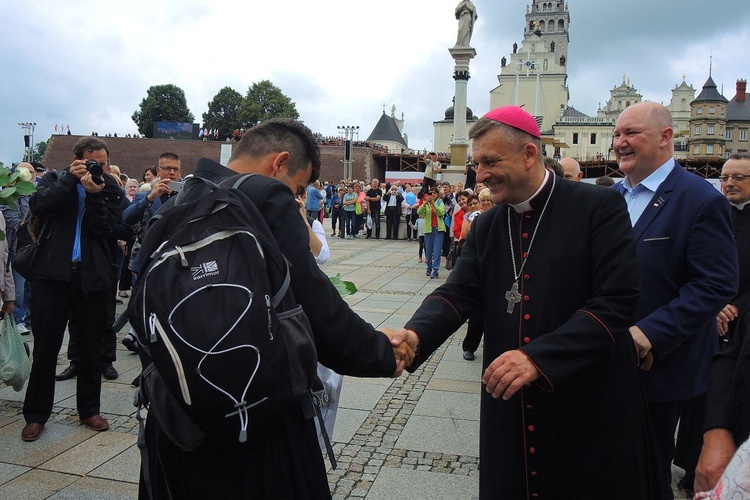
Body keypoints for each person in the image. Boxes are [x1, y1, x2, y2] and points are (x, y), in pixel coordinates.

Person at [140, 118, 414, 499]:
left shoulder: (182, 197)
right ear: (279, 163)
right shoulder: (263, 195)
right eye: (298, 187)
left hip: (177, 420)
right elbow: (313, 306)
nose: (296, 197)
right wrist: (380, 351)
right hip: (254, 420)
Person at [391, 106, 652, 498]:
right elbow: (456, 294)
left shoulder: (597, 207)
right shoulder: (490, 225)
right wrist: (414, 335)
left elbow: (616, 303)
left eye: (491, 161)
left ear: (530, 154)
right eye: (478, 163)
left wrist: (538, 357)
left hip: (585, 398)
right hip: (510, 399)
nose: (480, 175)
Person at [611, 102, 737, 499]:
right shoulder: (609, 198)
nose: (619, 143)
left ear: (666, 137)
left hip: (658, 367)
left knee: (648, 475)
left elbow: (715, 284)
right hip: (603, 358)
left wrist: (650, 332)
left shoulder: (699, 199)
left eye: (631, 133)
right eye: (616, 135)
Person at [21, 137, 124, 442]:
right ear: (76, 159)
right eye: (92, 161)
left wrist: (95, 196)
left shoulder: (110, 187)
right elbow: (40, 205)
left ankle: (89, 410)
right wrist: (70, 178)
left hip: (92, 277)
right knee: (46, 348)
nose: (99, 167)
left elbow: (108, 228)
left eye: (103, 162)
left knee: (92, 347)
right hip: (52, 275)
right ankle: (36, 415)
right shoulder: (55, 179)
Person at [695, 154, 750, 494]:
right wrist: (715, 304)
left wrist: (735, 307)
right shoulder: (713, 214)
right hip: (708, 318)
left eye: (739, 177)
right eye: (725, 176)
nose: (728, 182)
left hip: (743, 321)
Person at [417, 187, 446, 280]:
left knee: (437, 251)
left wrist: (434, 205)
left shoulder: (440, 203)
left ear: (437, 194)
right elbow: (419, 212)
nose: (432, 195)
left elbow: (441, 213)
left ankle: (435, 270)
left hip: (438, 229)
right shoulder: (426, 204)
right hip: (428, 229)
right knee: (428, 251)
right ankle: (429, 266)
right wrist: (425, 203)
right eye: (430, 194)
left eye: (434, 193)